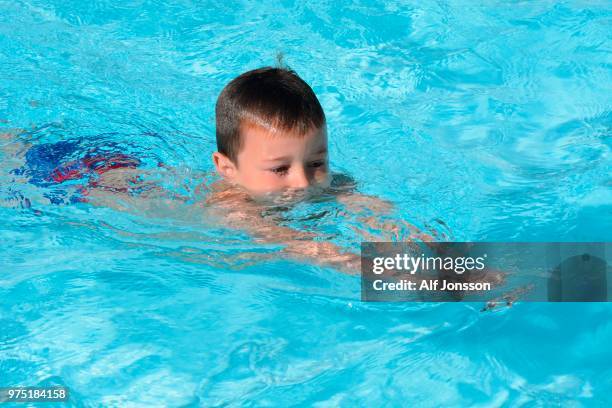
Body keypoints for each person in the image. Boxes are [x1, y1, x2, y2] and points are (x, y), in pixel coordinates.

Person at [0, 66, 434, 273]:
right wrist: (419, 276)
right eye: (280, 169)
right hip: (71, 186)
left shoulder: (322, 183)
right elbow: (307, 249)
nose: (304, 183)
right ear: (227, 169)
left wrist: (454, 261)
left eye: (317, 162)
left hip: (125, 165)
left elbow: (381, 213)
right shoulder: (237, 211)